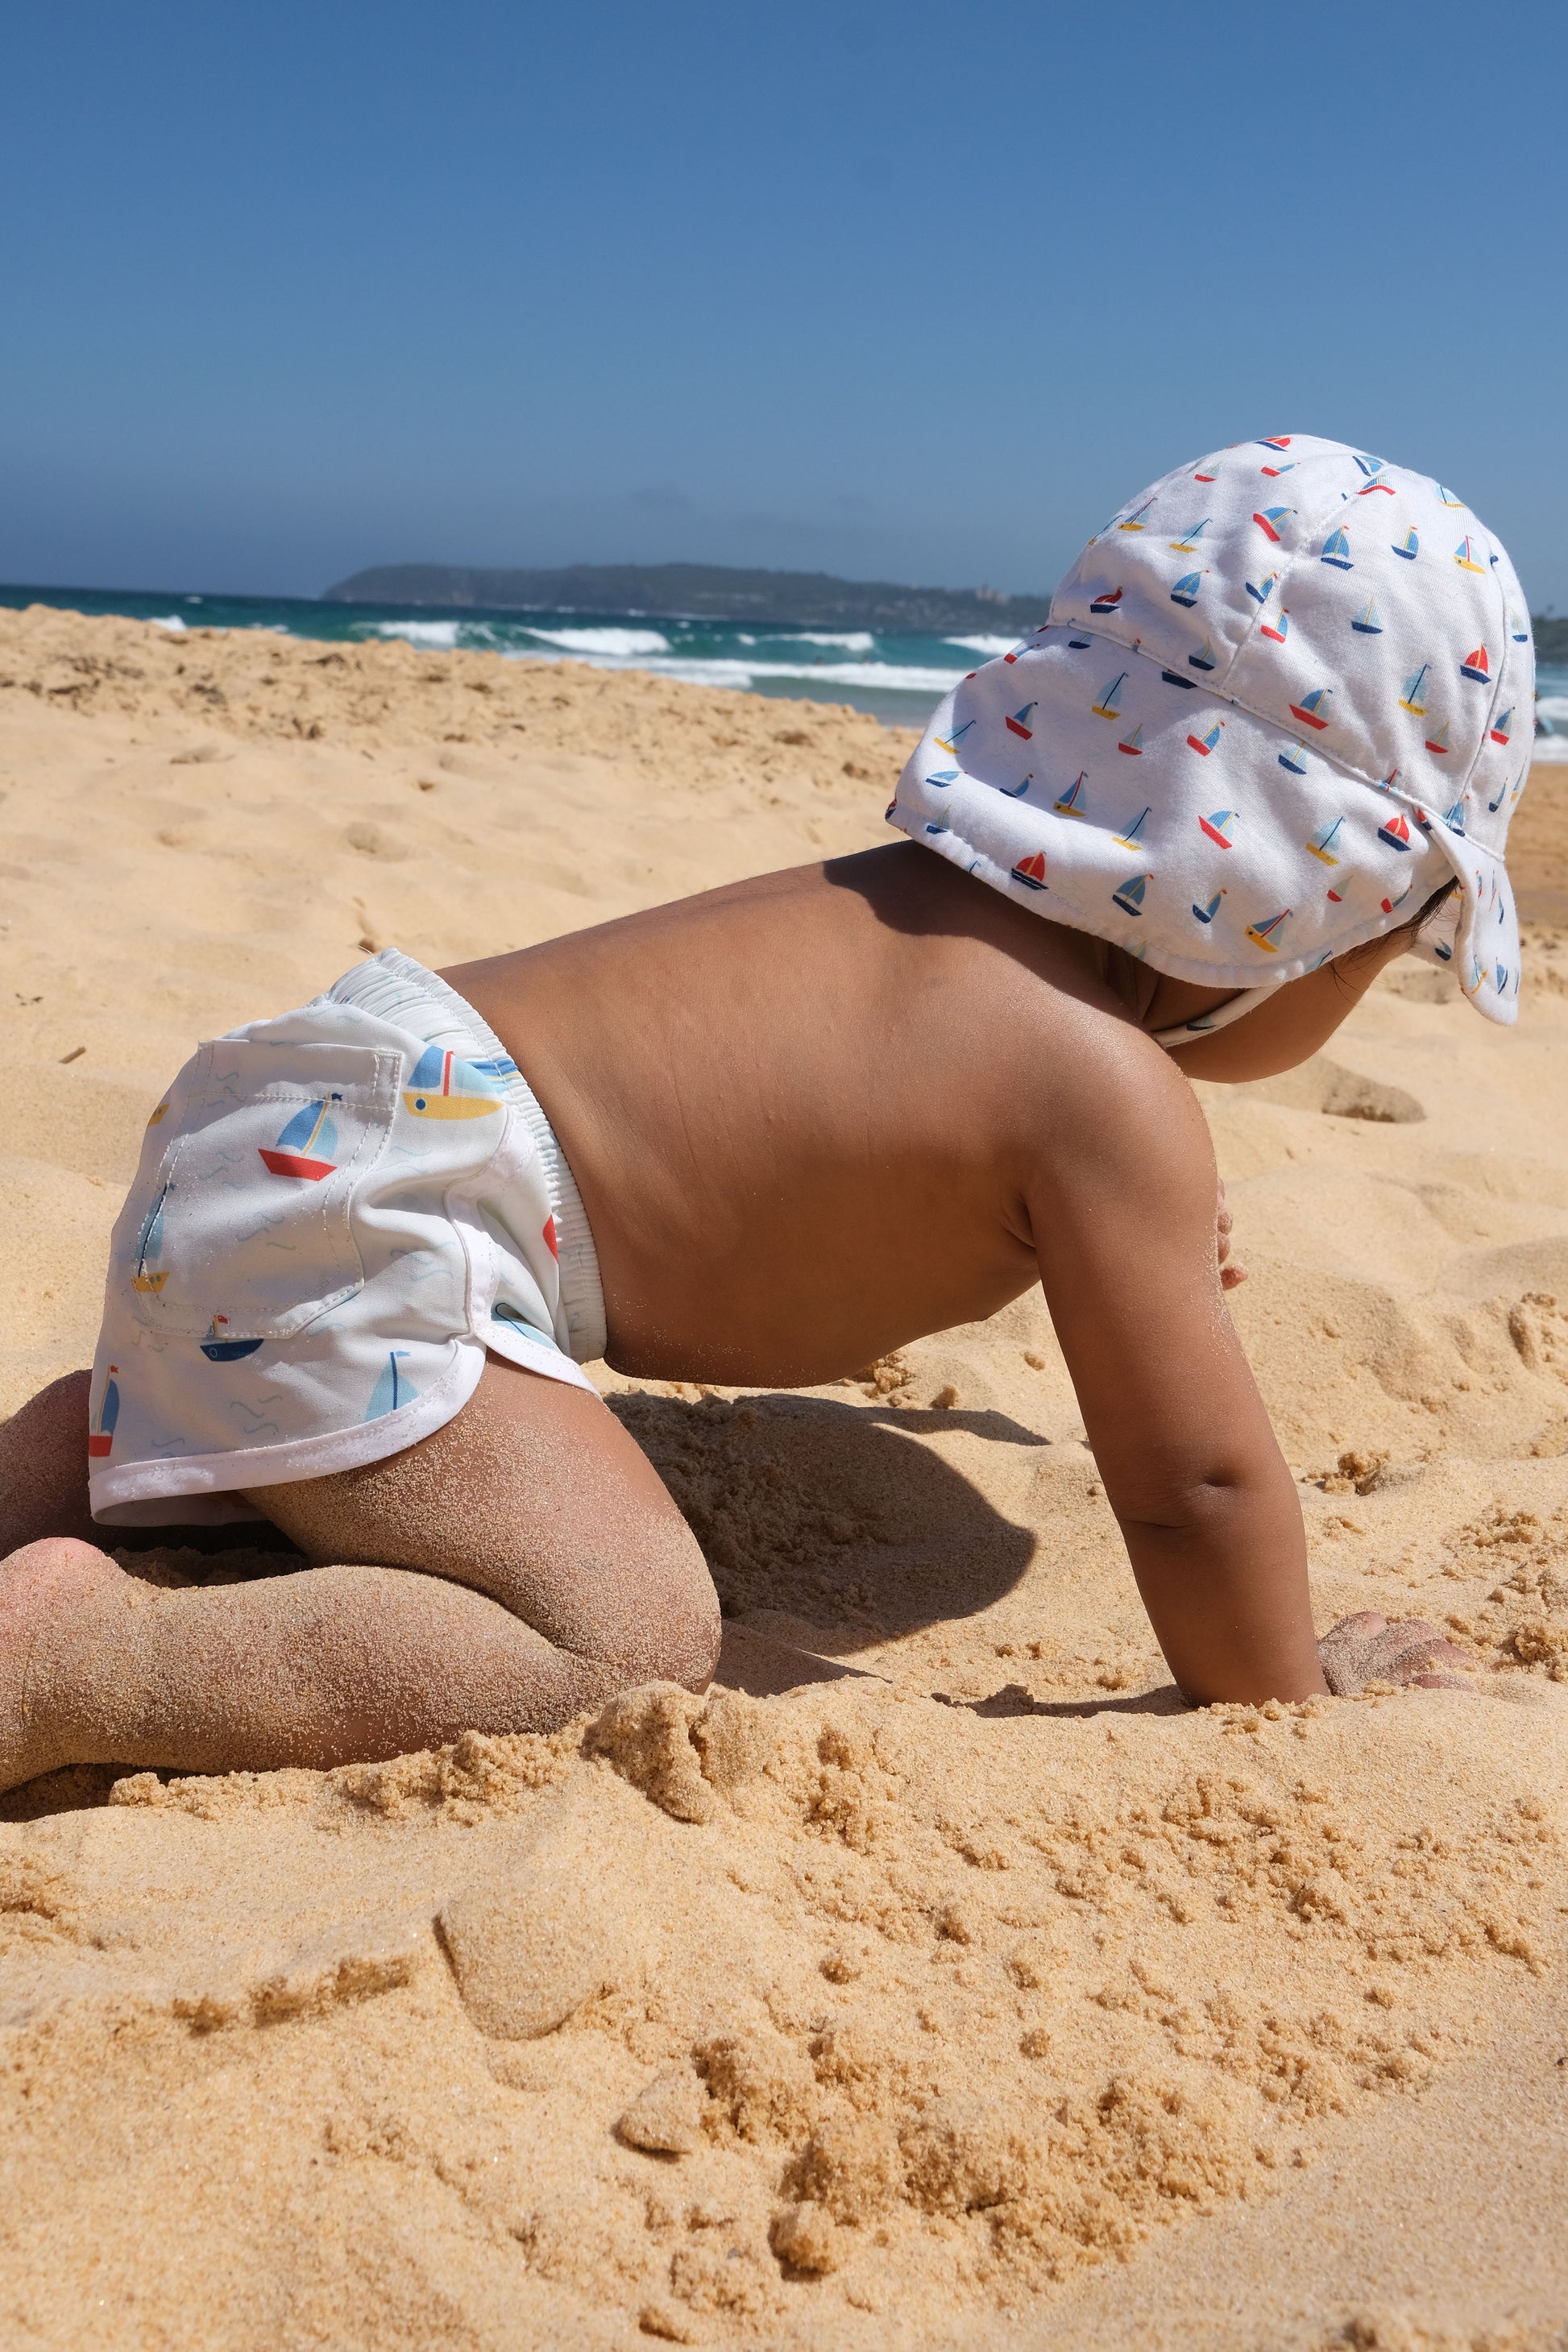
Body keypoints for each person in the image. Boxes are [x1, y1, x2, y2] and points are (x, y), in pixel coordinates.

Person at [0, 434, 1532, 1787]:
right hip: (406, 1209)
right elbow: (1194, 1485)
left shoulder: (892, 914)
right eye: (1397, 953)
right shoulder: (1097, 1088)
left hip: (313, 1114)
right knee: (619, 1639)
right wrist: (1283, 1694)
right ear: (1300, 908)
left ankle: (67, 1471)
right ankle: (83, 1664)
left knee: (278, 1378)